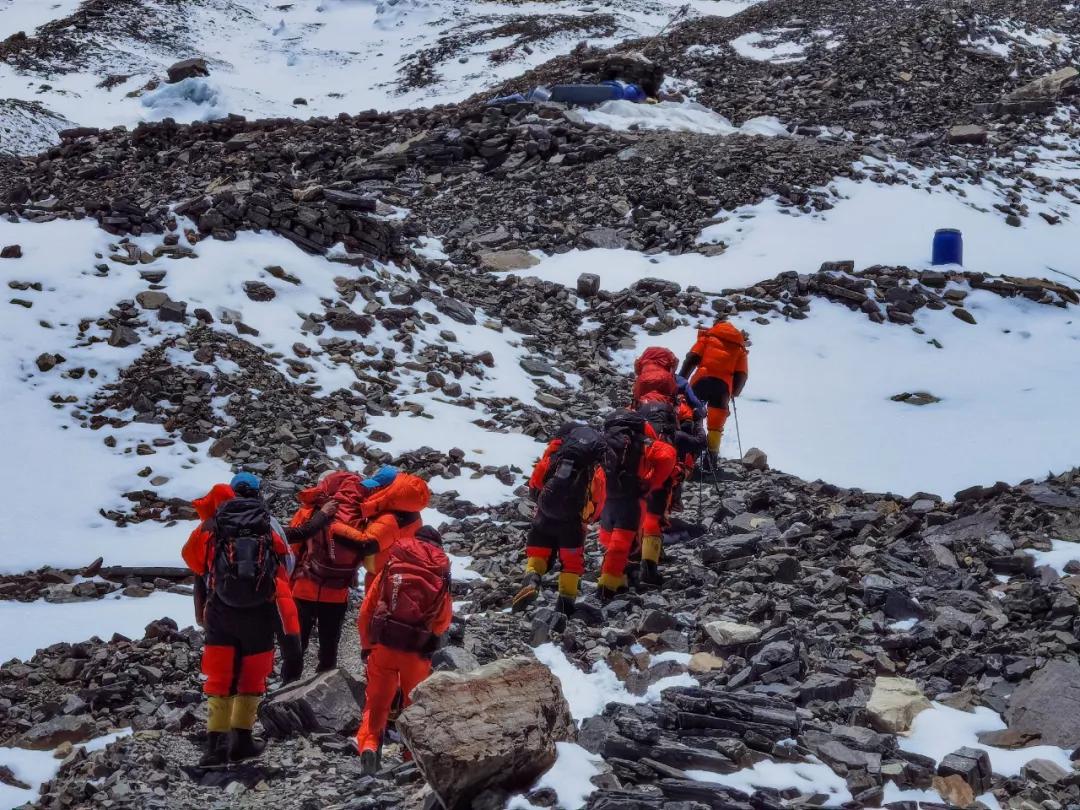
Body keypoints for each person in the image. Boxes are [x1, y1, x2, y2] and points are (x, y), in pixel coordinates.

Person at [182, 472, 303, 767]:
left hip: (221, 612)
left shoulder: (213, 526)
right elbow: (286, 564)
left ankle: (216, 746)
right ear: (258, 493)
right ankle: (243, 740)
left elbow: (192, 560)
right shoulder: (266, 524)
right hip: (259, 613)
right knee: (251, 677)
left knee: (221, 676)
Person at [355, 525, 452, 775]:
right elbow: (443, 620)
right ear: (438, 547)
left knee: (376, 701)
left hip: (385, 644)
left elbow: (367, 608)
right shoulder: (440, 571)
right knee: (414, 704)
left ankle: (369, 745)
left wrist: (367, 645)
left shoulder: (394, 563)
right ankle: (410, 756)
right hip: (416, 650)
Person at [512, 423, 608, 615]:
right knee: (571, 561)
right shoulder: (592, 467)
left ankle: (532, 579)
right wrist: (590, 517)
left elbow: (536, 482)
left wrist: (539, 499)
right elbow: (599, 498)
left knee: (539, 552)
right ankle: (565, 603)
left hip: (545, 514)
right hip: (573, 521)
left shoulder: (555, 457)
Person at [288, 469, 378, 674]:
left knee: (297, 643)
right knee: (329, 644)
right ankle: (326, 683)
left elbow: (293, 550)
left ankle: (289, 686)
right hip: (337, 592)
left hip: (304, 587)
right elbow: (365, 552)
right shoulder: (360, 516)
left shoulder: (310, 511)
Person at [597, 409, 676, 601]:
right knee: (623, 542)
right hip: (632, 498)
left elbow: (596, 472)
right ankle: (607, 587)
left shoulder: (605, 443)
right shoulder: (641, 442)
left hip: (608, 498)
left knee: (609, 540)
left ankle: (621, 580)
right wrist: (651, 482)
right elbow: (667, 455)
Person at [678, 320, 749, 461]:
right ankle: (711, 457)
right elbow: (742, 375)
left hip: (701, 380)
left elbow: (692, 358)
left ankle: (688, 453)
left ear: (716, 327)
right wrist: (734, 392)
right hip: (723, 387)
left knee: (691, 413)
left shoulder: (708, 338)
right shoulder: (739, 349)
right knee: (716, 423)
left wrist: (681, 379)